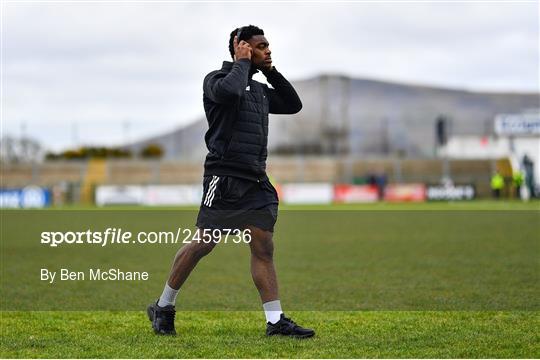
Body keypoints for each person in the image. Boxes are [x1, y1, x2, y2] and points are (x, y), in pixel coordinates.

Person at [147, 25, 315, 338]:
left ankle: (275, 321)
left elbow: (293, 104)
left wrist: (270, 70)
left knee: (263, 245)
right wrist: (241, 63)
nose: (268, 50)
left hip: (255, 178)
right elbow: (231, 92)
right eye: (261, 46)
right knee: (204, 243)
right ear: (242, 47)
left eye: (268, 46)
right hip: (224, 177)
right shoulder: (216, 81)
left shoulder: (260, 90)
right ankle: (164, 305)